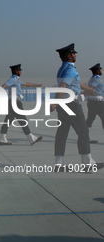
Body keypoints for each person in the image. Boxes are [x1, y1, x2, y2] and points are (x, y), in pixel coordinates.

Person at [51, 43, 104, 171]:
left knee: (62, 133)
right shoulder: (70, 69)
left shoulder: (63, 68)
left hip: (64, 105)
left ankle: (59, 164)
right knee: (84, 132)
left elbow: (76, 82)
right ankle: (87, 164)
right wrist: (55, 102)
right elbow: (63, 86)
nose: (75, 55)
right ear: (69, 56)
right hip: (71, 104)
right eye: (74, 53)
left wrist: (88, 90)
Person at [0, 64, 43, 145]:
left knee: (8, 120)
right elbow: (4, 86)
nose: (21, 71)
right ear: (17, 71)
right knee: (22, 120)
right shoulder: (12, 80)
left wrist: (37, 85)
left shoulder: (16, 80)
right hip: (15, 103)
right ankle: (31, 138)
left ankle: (2, 139)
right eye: (20, 70)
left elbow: (26, 84)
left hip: (13, 102)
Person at [85, 63, 104, 144]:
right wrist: (89, 92)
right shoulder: (96, 79)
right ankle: (86, 138)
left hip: (93, 102)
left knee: (89, 120)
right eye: (100, 69)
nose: (101, 70)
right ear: (98, 70)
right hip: (98, 103)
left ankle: (87, 138)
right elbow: (91, 88)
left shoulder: (92, 79)